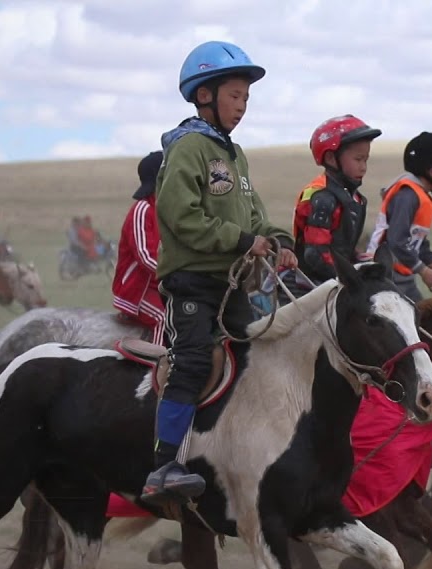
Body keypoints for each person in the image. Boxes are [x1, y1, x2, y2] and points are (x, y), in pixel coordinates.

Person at [141, 40, 298, 505]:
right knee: (192, 361)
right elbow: (179, 214)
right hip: (193, 281)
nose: (242, 106)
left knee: (262, 354)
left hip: (233, 287)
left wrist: (280, 241)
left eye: (246, 98)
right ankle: (162, 467)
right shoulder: (189, 148)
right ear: (204, 94)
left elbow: (254, 219)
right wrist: (242, 242)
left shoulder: (235, 156)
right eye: (235, 95)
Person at [289, 114, 382, 294]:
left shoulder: (354, 198)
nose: (364, 167)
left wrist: (359, 259)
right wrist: (348, 278)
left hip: (334, 280)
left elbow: (339, 245)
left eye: (366, 160)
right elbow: (315, 254)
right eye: (358, 159)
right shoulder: (322, 198)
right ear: (331, 159)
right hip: (309, 287)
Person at [364, 132, 432, 302]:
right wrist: (423, 271)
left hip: (403, 278)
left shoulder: (421, 196)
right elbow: (397, 241)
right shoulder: (407, 196)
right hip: (384, 276)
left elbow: (417, 241)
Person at [113, 151, 168, 345]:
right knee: (165, 318)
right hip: (137, 288)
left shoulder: (166, 210)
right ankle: (160, 368)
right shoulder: (142, 209)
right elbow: (145, 256)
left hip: (160, 285)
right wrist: (173, 274)